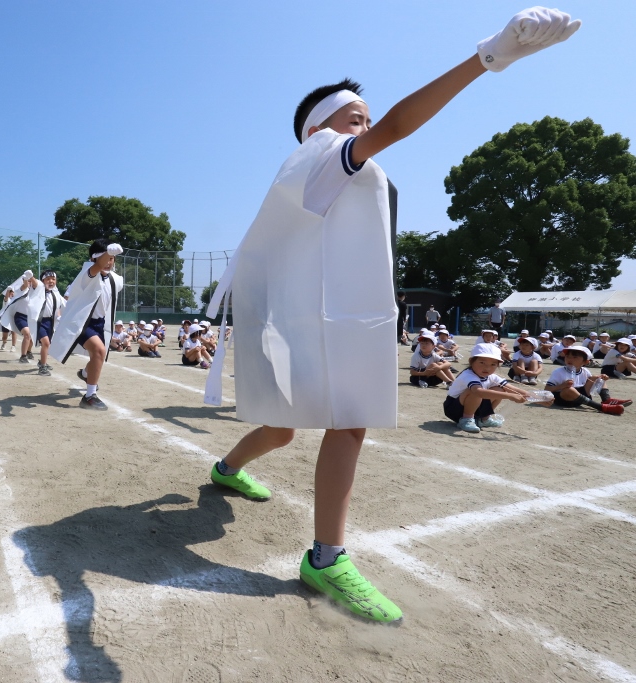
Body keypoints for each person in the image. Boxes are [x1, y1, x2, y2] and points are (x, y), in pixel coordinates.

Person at [201, 6, 579, 624]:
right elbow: (401, 125)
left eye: (365, 119)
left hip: (311, 317)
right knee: (339, 423)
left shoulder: (318, 170)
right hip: (312, 319)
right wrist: (487, 59)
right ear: (318, 126)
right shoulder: (325, 154)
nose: (365, 123)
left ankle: (225, 468)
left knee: (289, 427)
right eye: (354, 116)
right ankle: (325, 559)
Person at [48, 238, 125, 410]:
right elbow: (96, 268)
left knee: (98, 357)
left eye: (112, 259)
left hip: (100, 324)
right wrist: (108, 254)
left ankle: (85, 373)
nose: (109, 262)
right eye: (106, 258)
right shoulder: (87, 274)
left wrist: (109, 256)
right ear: (93, 258)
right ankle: (89, 396)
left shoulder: (115, 280)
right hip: (82, 323)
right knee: (99, 351)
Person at [444, 343, 529, 432]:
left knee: (499, 389)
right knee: (475, 391)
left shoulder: (492, 377)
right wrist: (510, 396)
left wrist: (540, 398)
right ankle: (466, 419)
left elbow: (514, 390)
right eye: (482, 363)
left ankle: (483, 419)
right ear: (471, 361)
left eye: (493, 364)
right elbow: (478, 392)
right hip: (454, 409)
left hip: (474, 406)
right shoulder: (468, 375)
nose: (487, 368)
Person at [545, 346, 627, 413]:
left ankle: (606, 400)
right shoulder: (559, 371)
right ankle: (601, 407)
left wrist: (601, 378)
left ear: (585, 362)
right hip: (564, 399)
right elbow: (547, 389)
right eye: (567, 356)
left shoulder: (585, 371)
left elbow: (592, 383)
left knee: (598, 378)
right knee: (569, 389)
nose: (570, 359)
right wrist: (562, 386)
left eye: (574, 357)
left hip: (581, 398)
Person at [31, 269, 67, 377]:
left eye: (53, 279)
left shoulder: (55, 293)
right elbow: (35, 283)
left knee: (48, 345)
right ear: (42, 281)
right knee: (46, 343)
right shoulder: (38, 290)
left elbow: (60, 306)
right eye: (48, 279)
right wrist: (31, 277)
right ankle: (42, 367)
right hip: (39, 321)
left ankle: (43, 362)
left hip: (50, 322)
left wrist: (60, 317)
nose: (51, 281)